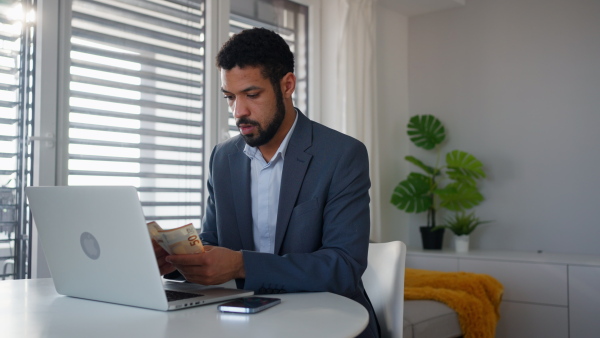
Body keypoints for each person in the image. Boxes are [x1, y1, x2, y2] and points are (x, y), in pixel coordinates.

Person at [153, 27, 379, 338]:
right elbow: (213, 241)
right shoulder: (222, 158)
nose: (238, 112)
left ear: (287, 85)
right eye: (230, 97)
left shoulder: (342, 155)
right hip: (243, 318)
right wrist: (174, 258)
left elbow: (342, 267)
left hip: (328, 320)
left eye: (252, 94)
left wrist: (241, 265)